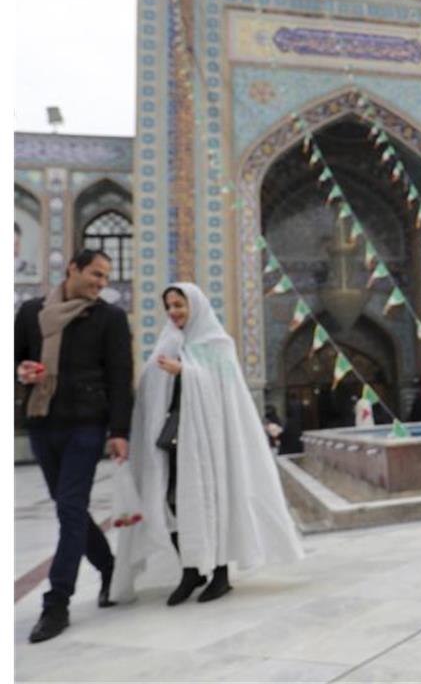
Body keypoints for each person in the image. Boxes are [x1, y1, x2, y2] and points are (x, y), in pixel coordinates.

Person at [109, 283, 304, 606]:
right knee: (171, 502)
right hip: (171, 440)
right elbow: (150, 386)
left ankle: (220, 574)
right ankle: (191, 569)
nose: (173, 312)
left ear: (195, 306)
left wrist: (186, 371)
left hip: (210, 443)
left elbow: (225, 391)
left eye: (179, 305)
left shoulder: (217, 344)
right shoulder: (168, 341)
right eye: (169, 306)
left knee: (211, 499)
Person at [15, 248, 132, 643]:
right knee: (72, 508)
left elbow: (120, 376)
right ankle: (110, 568)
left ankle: (57, 601)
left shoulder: (109, 318)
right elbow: (13, 360)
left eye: (105, 278)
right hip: (42, 419)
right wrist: (22, 371)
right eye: (95, 275)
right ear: (73, 269)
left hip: (86, 422)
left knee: (68, 509)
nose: (101, 284)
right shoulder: (32, 312)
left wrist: (119, 430)